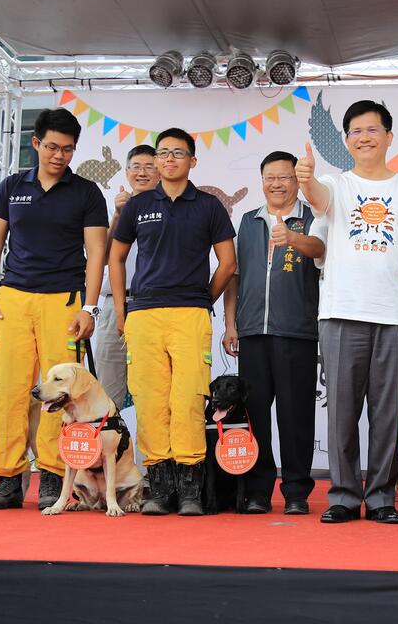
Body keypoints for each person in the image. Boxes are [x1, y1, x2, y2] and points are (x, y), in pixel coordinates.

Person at [296, 100, 398, 525]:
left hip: (394, 315)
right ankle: (342, 495)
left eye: (373, 129)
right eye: (356, 131)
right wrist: (305, 181)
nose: (365, 137)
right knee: (341, 410)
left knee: (386, 412)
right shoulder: (334, 185)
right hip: (341, 313)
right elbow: (317, 199)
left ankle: (380, 497)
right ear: (346, 140)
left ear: (389, 137)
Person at [0, 109, 108, 510]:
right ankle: (7, 476)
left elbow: (97, 253)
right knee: (9, 388)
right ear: (36, 143)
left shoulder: (86, 192)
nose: (59, 156)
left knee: (60, 394)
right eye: (52, 147)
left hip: (64, 301)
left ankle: (53, 476)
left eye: (67, 149)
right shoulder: (11, 187)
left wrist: (89, 308)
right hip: (13, 298)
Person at [111, 128, 236, 516]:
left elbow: (228, 263)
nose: (168, 160)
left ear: (192, 161)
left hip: (190, 315)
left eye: (177, 153)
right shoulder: (138, 205)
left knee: (188, 399)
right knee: (150, 400)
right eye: (163, 153)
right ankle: (159, 490)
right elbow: (115, 258)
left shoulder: (210, 206)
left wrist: (202, 299)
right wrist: (121, 309)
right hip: (144, 314)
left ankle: (190, 492)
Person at [222, 151, 324, 515]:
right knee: (255, 415)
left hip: (296, 332)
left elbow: (322, 252)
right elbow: (234, 276)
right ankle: (257, 490)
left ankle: (296, 491)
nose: (277, 183)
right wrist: (231, 323)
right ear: (262, 180)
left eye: (285, 177)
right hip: (251, 332)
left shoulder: (312, 219)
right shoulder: (248, 222)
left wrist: (293, 238)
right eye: (270, 177)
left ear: (298, 181)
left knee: (296, 416)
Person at [93, 144, 158, 409]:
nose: (142, 173)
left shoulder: (171, 207)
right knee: (107, 391)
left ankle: (151, 452)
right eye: (136, 167)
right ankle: (107, 447)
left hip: (154, 305)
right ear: (127, 171)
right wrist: (118, 215)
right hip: (114, 306)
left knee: (153, 389)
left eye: (149, 167)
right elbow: (104, 254)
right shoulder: (118, 208)